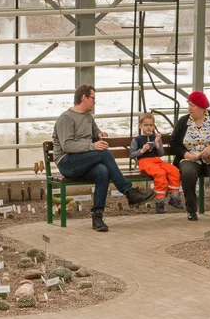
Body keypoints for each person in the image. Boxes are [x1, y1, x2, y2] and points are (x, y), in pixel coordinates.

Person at [52, 84, 156, 232]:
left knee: (103, 171)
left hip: (83, 160)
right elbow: (67, 145)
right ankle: (129, 192)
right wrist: (92, 146)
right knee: (105, 153)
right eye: (93, 98)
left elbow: (95, 132)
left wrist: (100, 135)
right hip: (67, 162)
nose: (95, 101)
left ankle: (97, 217)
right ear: (84, 98)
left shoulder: (87, 116)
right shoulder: (66, 118)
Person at [169, 91, 210, 222]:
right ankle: (191, 210)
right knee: (187, 174)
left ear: (201, 106)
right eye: (189, 105)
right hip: (190, 158)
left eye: (192, 105)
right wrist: (186, 154)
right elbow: (173, 143)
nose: (189, 108)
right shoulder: (184, 121)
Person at [129, 112, 185, 214]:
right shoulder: (136, 139)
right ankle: (160, 202)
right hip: (145, 162)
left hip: (157, 160)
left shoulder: (156, 137)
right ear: (140, 125)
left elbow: (161, 153)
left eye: (151, 125)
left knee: (174, 170)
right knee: (160, 174)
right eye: (146, 125)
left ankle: (174, 197)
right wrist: (141, 151)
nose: (148, 127)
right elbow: (132, 154)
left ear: (154, 125)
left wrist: (157, 143)